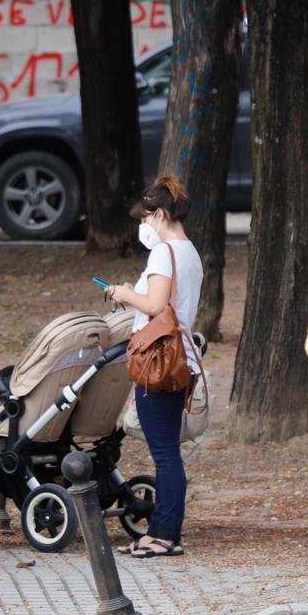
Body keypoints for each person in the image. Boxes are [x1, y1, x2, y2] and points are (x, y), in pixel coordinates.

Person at [106, 176, 203, 559]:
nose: (143, 227)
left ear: (159, 214)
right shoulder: (189, 251)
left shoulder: (165, 252)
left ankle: (164, 534)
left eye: (145, 220)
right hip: (179, 358)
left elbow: (157, 306)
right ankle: (162, 531)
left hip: (159, 363)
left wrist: (126, 294)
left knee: (165, 455)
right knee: (166, 453)